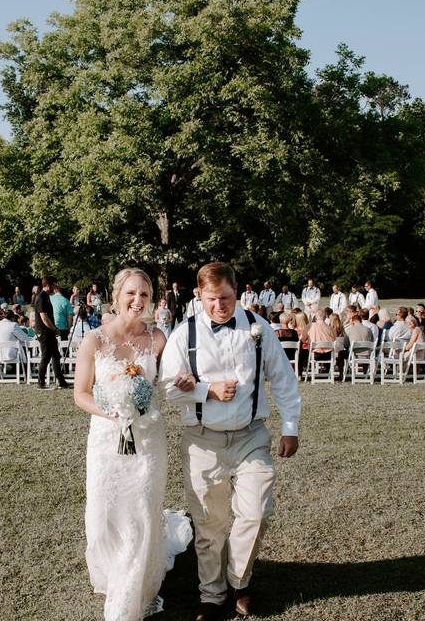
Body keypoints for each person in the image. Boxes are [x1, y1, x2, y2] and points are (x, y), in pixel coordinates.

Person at [160, 262, 301, 620]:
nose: (219, 306)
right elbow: (165, 388)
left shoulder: (258, 328)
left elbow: (282, 379)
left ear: (236, 291)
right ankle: (212, 595)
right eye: (211, 299)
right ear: (198, 296)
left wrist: (290, 426)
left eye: (225, 297)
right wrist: (206, 391)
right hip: (201, 441)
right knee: (210, 523)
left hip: (251, 436)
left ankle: (240, 582)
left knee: (255, 513)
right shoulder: (184, 333)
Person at [73, 268, 193, 621]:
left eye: (144, 294)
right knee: (103, 514)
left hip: (147, 440)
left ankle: (134, 585)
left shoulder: (158, 338)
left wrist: (183, 381)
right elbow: (80, 394)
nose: (138, 301)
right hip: (107, 438)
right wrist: (112, 411)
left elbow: (169, 381)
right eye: (131, 293)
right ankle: (111, 570)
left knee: (141, 510)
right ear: (116, 295)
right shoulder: (94, 340)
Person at [35, 276, 70, 390]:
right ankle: (41, 382)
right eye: (54, 285)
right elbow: (44, 317)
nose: (55, 287)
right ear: (48, 285)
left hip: (49, 331)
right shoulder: (41, 297)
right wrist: (55, 328)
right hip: (44, 332)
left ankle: (61, 381)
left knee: (56, 355)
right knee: (46, 357)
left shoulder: (46, 297)